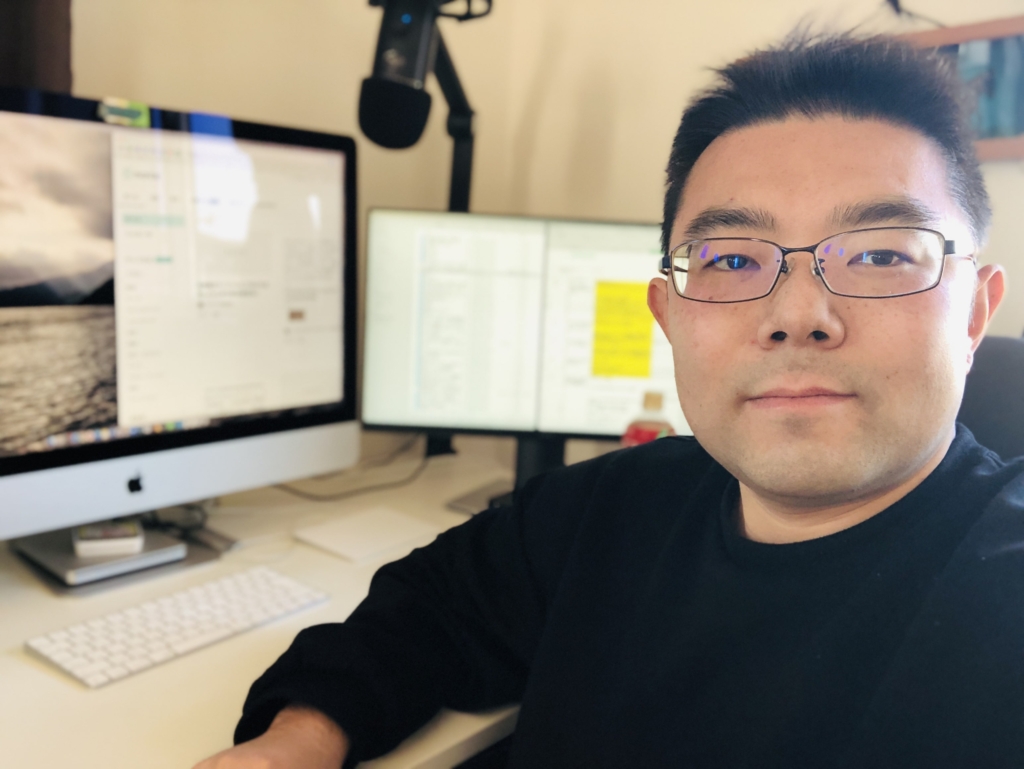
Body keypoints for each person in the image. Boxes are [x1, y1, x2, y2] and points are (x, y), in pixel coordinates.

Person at [196, 31, 1023, 769]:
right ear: (668, 315)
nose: (798, 315)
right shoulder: (618, 506)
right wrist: (301, 737)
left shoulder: (998, 596)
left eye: (880, 255)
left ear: (975, 314)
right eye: (732, 259)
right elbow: (433, 604)